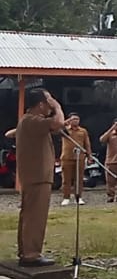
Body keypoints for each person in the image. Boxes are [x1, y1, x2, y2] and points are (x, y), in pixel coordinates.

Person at [15, 88, 65, 267]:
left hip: (35, 175)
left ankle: (26, 251)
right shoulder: (32, 120)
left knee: (29, 214)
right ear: (41, 104)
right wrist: (57, 106)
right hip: (37, 175)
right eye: (48, 102)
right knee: (35, 216)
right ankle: (31, 254)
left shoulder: (30, 121)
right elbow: (58, 123)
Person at [59, 112, 92, 206]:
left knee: (79, 179)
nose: (75, 121)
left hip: (79, 157)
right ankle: (66, 197)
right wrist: (66, 122)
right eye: (73, 119)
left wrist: (89, 156)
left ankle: (78, 197)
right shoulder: (64, 130)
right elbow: (56, 128)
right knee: (66, 179)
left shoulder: (83, 131)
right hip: (67, 157)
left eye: (77, 119)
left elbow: (87, 144)